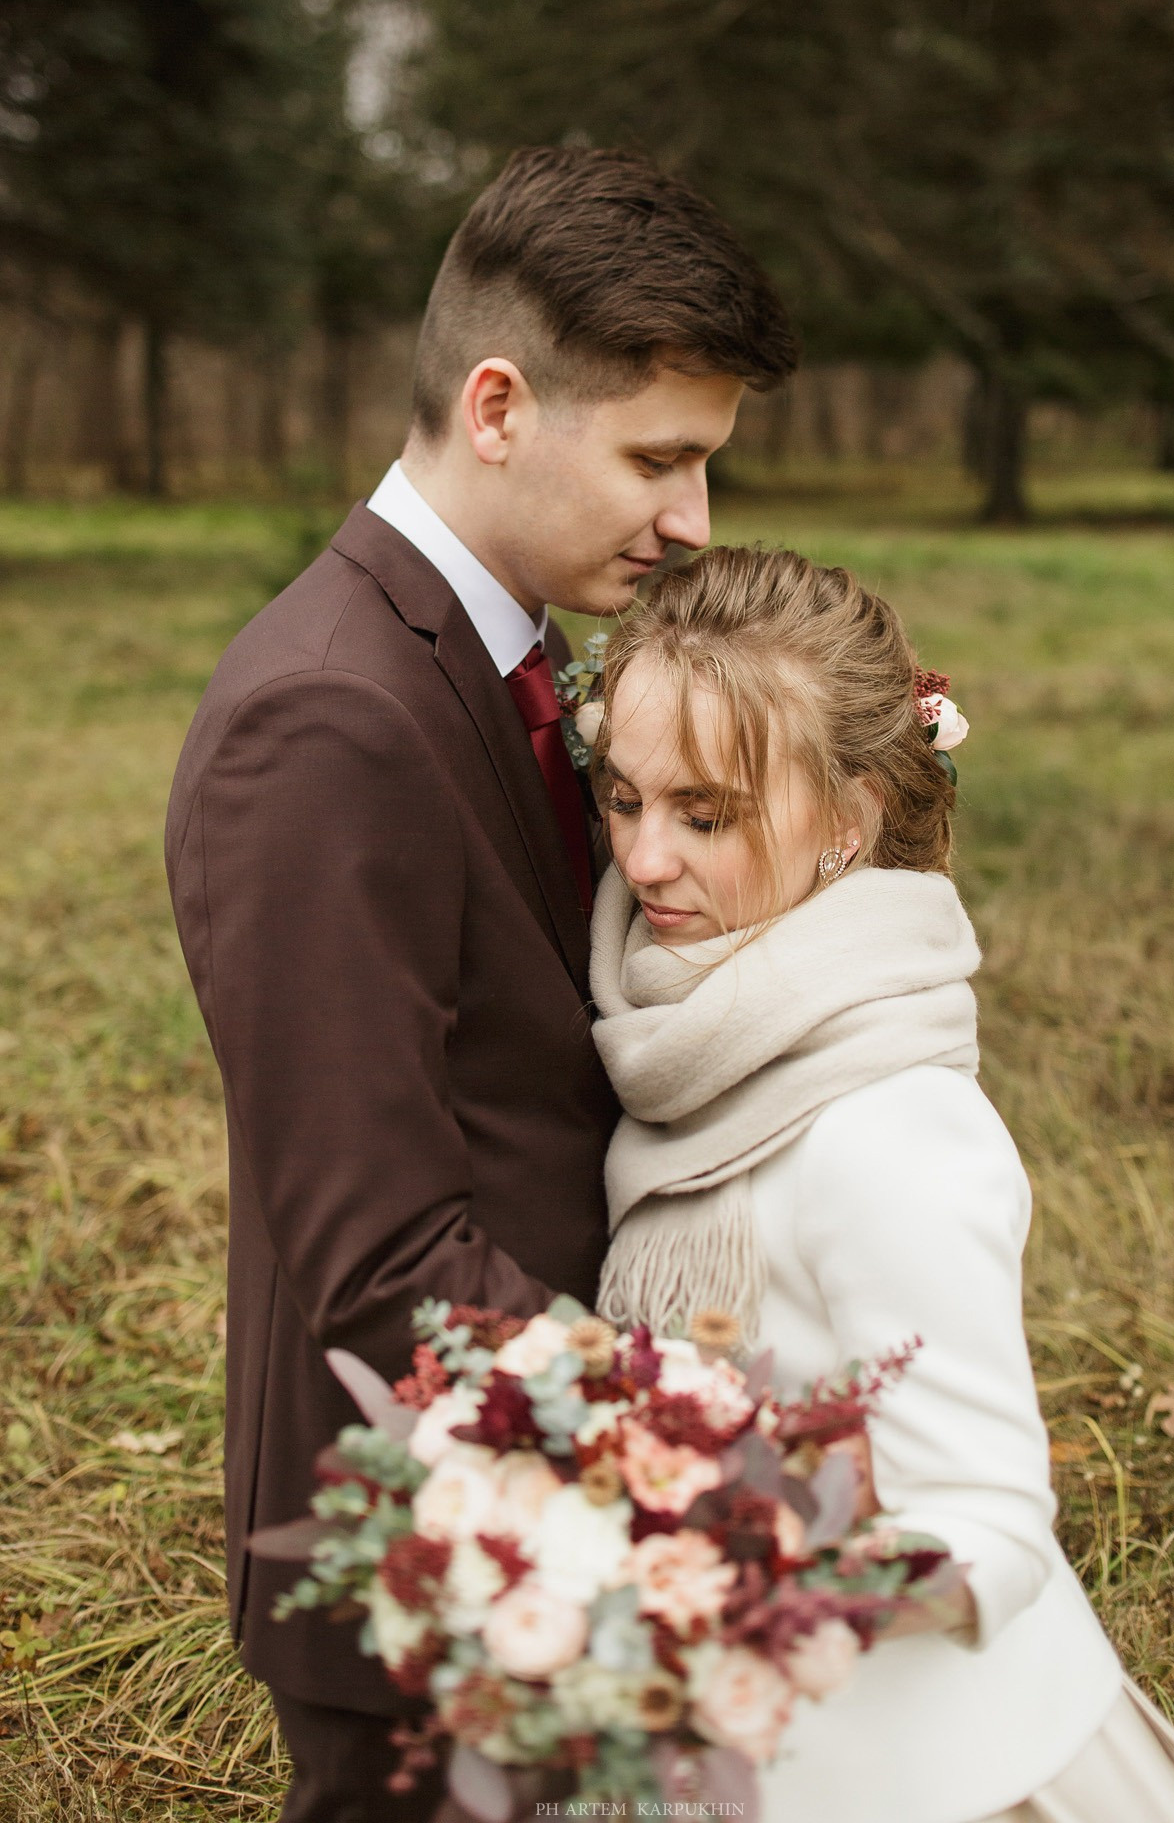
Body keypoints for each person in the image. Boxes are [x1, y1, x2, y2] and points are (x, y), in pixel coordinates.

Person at [164, 148, 797, 1822]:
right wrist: (696, 1460)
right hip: (432, 1540)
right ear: (500, 405)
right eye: (661, 459)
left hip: (540, 1511)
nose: (693, 520)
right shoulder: (324, 718)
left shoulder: (509, 655)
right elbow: (377, 1251)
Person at [586, 545, 1174, 1823]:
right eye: (621, 798)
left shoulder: (885, 1128)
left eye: (703, 816)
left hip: (923, 1767)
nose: (643, 860)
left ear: (847, 820)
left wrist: (762, 1581)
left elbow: (988, 1521)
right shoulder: (679, 1030)